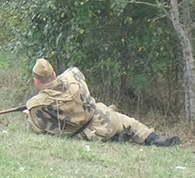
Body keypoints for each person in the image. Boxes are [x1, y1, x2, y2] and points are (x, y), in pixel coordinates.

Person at [26, 58, 180, 147]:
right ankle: (154, 139)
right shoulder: (74, 74)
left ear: (36, 81)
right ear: (53, 73)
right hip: (103, 118)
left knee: (106, 128)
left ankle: (118, 138)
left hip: (84, 135)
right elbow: (66, 76)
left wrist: (29, 114)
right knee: (129, 122)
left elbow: (37, 129)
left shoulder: (36, 105)